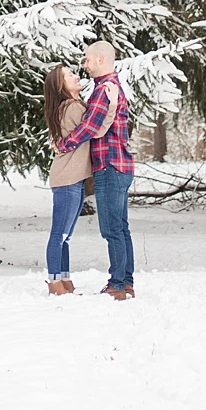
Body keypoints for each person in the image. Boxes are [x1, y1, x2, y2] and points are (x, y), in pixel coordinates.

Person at [55, 41, 135, 300]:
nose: (85, 65)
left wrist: (64, 144)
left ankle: (119, 285)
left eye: (87, 60)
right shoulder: (110, 87)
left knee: (112, 229)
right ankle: (126, 282)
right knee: (121, 228)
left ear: (101, 59)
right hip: (119, 164)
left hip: (110, 165)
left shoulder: (104, 89)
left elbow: (90, 126)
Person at [42, 64, 115, 295]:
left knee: (65, 236)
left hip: (69, 177)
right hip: (67, 178)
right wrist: (112, 104)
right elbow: (96, 127)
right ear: (60, 86)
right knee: (59, 235)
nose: (75, 76)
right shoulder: (72, 107)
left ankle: (63, 281)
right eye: (68, 76)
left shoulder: (69, 107)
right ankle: (56, 283)